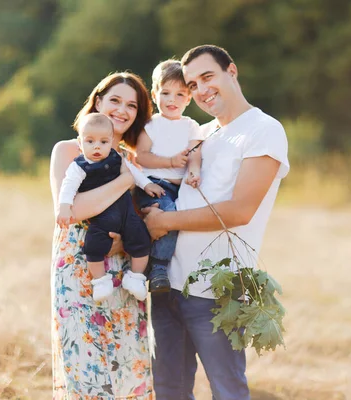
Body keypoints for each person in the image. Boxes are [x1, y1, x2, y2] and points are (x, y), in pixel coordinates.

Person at [143, 45, 290, 400]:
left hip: (216, 292)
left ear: (232, 72)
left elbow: (240, 210)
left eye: (208, 77)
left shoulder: (263, 130)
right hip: (167, 286)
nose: (201, 90)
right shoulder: (201, 133)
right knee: (169, 391)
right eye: (192, 85)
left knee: (227, 390)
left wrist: (164, 220)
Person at [49, 72, 155, 399]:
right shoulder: (68, 151)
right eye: (115, 100)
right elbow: (75, 210)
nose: (122, 110)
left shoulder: (132, 159)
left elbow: (139, 218)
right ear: (98, 102)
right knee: (86, 367)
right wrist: (124, 180)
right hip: (80, 269)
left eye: (132, 105)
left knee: (128, 367)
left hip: (125, 273)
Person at [56, 113, 151, 302]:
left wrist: (148, 185)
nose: (97, 146)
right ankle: (100, 281)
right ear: (79, 142)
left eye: (104, 141)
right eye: (90, 141)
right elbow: (68, 186)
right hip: (101, 219)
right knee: (93, 246)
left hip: (126, 215)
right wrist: (64, 206)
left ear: (111, 142)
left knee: (141, 238)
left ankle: (136, 277)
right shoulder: (79, 166)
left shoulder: (117, 157)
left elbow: (133, 173)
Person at [134, 59, 204, 293]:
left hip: (180, 187)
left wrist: (194, 171)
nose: (172, 100)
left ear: (189, 98)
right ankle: (158, 268)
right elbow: (142, 156)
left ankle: (153, 264)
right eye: (165, 93)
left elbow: (195, 153)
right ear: (155, 94)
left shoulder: (191, 126)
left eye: (179, 94)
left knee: (182, 222)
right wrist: (170, 162)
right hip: (153, 185)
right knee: (168, 218)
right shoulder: (151, 125)